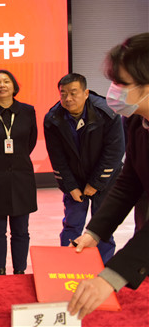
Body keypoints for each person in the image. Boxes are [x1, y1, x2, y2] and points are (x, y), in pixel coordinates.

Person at [68, 33, 149, 319]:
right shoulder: (136, 121)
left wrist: (112, 276)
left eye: (122, 83)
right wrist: (95, 232)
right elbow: (130, 181)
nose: (114, 90)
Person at [43, 73, 125, 264]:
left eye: (73, 93)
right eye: (63, 94)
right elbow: (57, 158)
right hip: (74, 179)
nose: (68, 98)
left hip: (105, 178)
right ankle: (69, 265)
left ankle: (103, 267)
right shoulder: (53, 118)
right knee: (72, 224)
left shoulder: (107, 113)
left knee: (102, 225)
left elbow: (114, 152)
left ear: (86, 93)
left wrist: (95, 184)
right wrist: (71, 187)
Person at [0, 70, 38, 275]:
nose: (2, 85)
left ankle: (20, 271)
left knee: (21, 230)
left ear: (14, 86)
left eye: (6, 81)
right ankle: (0, 270)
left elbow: (30, 142)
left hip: (22, 177)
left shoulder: (28, 111)